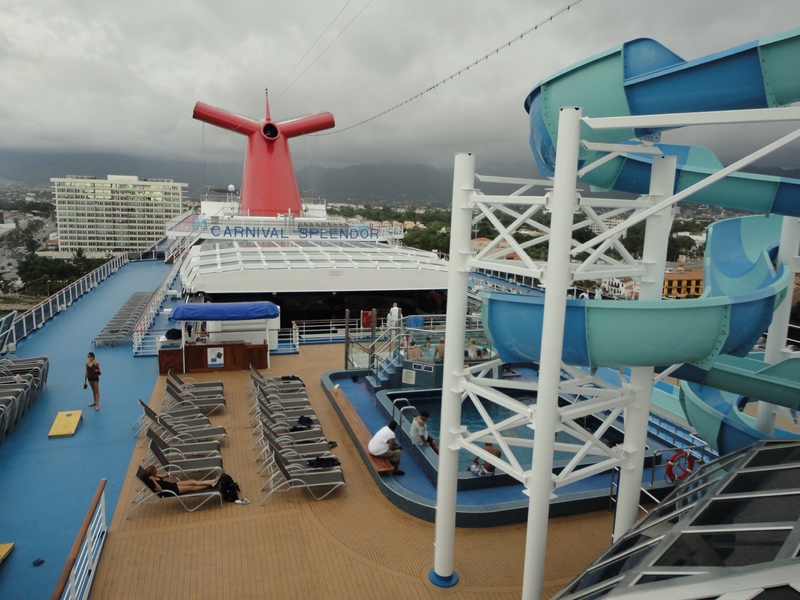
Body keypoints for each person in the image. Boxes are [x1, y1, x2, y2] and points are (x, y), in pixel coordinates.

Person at [143, 465, 218, 496]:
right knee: (191, 487)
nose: (156, 470)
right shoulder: (151, 482)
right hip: (170, 490)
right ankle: (210, 484)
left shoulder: (155, 476)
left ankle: (211, 482)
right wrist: (153, 480)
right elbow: (159, 490)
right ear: (152, 473)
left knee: (191, 481)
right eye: (155, 470)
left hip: (171, 485)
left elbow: (161, 477)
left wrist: (168, 475)